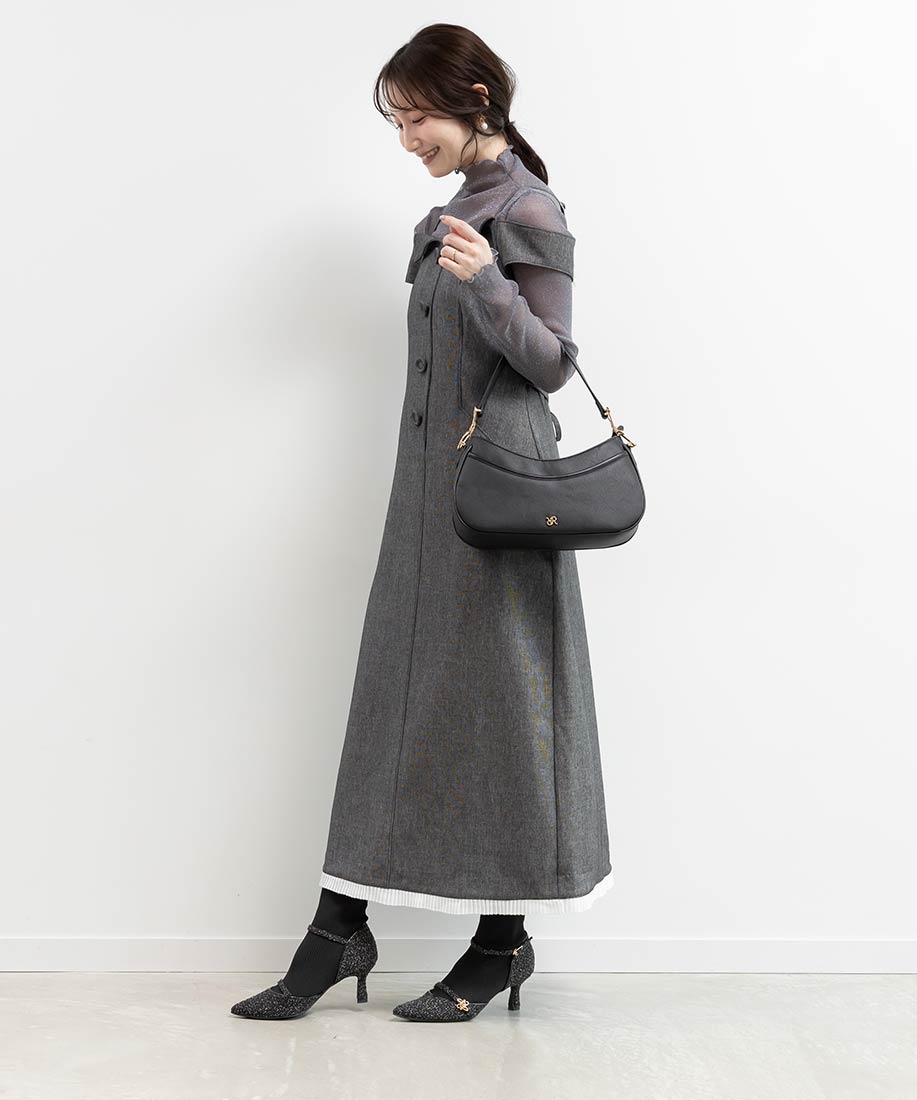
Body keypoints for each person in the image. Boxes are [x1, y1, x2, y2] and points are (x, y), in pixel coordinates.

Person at [231, 22, 613, 1025]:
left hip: (499, 495)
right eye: (396, 124)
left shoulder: (527, 206)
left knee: (504, 713)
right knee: (393, 705)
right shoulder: (452, 208)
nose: (407, 140)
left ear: (476, 98)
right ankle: (339, 925)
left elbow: (551, 362)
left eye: (416, 119)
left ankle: (497, 941)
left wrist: (486, 281)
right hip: (425, 497)